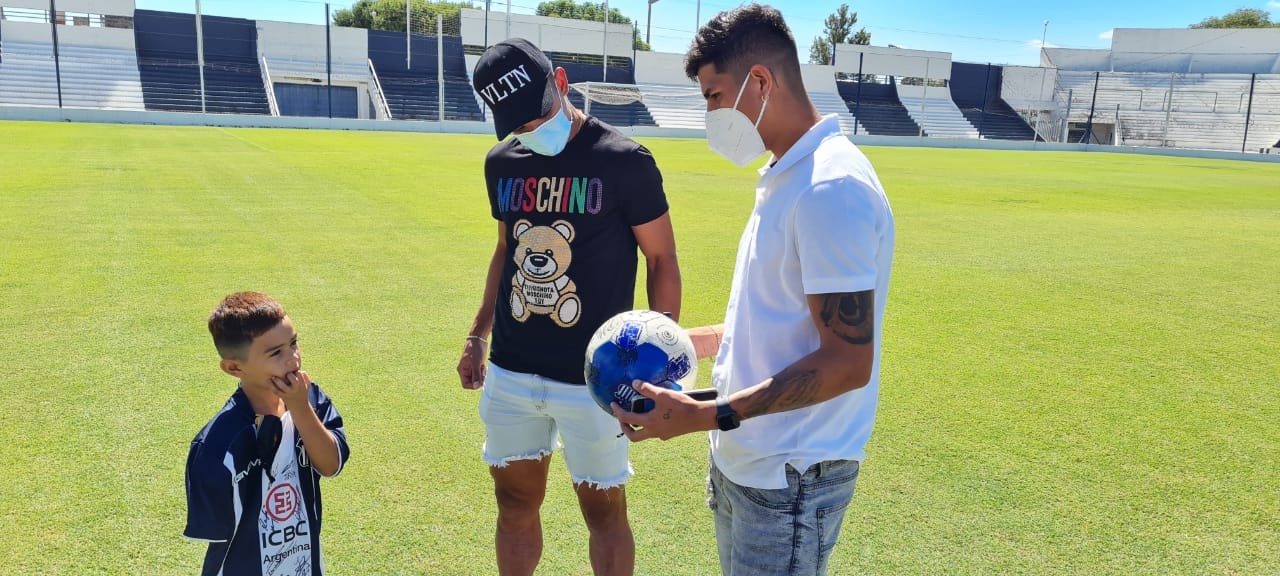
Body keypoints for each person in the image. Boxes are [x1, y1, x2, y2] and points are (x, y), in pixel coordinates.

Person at [612, 5, 895, 575]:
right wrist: (690, 341)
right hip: (751, 461)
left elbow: (846, 361)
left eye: (714, 96)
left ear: (761, 81)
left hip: (790, 476)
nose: (710, 113)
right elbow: (776, 318)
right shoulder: (789, 175)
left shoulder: (829, 188)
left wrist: (706, 414)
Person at [461, 38, 682, 576]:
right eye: (518, 125)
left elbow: (661, 259)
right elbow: (505, 250)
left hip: (595, 378)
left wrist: (662, 362)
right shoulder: (501, 163)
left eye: (538, 115)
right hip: (512, 373)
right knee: (513, 505)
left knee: (603, 513)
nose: (532, 132)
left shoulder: (624, 160)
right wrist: (477, 335)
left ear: (560, 82)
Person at [184, 292, 351, 576]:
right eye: (276, 353)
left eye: (294, 343)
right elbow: (218, 536)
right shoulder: (216, 446)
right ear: (234, 367)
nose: (293, 358)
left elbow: (331, 465)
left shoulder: (311, 399)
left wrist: (300, 408)